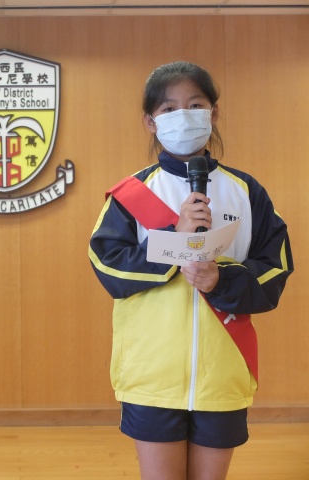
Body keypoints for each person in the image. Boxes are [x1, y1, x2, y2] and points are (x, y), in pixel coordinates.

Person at [88, 61, 293, 480]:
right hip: (152, 374)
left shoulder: (247, 191)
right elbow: (108, 266)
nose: (183, 116)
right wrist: (174, 238)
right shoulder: (131, 194)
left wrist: (222, 280)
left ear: (214, 113)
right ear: (150, 122)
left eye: (195, 105)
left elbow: (276, 269)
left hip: (224, 371)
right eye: (169, 109)